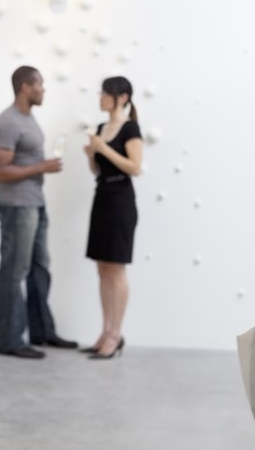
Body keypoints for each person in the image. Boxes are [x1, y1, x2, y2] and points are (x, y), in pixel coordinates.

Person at [0, 66, 78, 358]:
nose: (44, 90)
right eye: (40, 84)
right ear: (26, 87)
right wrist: (42, 166)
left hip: (35, 203)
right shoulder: (8, 121)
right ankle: (11, 341)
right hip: (16, 206)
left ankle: (42, 332)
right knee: (15, 272)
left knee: (40, 269)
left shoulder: (29, 119)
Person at [82, 76, 143, 360]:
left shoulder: (130, 127)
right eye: (101, 92)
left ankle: (116, 334)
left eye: (106, 93)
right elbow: (98, 170)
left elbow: (135, 167)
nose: (101, 98)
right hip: (102, 197)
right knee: (102, 269)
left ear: (122, 97)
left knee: (116, 270)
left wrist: (103, 148)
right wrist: (91, 155)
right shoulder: (100, 128)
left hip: (121, 201)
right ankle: (105, 331)